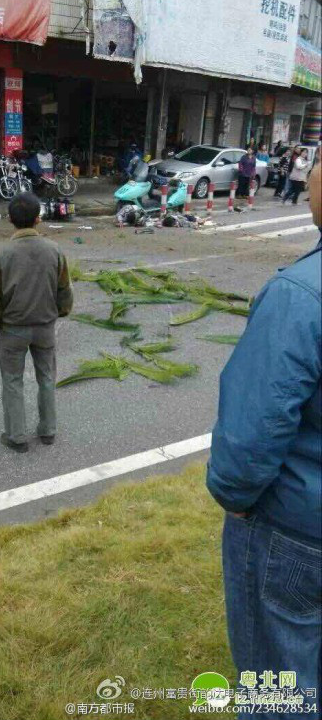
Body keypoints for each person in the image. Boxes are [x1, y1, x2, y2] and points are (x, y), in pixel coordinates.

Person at [206, 154, 321, 720]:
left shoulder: (301, 296)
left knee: (279, 686)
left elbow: (249, 444)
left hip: (295, 529)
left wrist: (238, 501)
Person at [0, 192, 73, 453]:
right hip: (45, 327)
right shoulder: (54, 250)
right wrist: (59, 313)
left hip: (12, 328)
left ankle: (17, 436)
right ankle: (48, 431)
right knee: (46, 377)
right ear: (38, 219)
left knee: (12, 380)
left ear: (10, 219)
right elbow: (64, 291)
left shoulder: (0, 254)